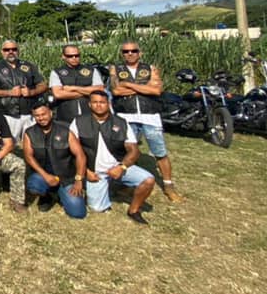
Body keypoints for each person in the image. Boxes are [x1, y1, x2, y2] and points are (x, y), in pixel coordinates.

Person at [110, 42, 184, 203]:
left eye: (133, 51)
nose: (130, 54)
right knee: (127, 152)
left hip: (150, 116)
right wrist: (144, 87)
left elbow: (156, 90)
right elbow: (116, 90)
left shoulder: (151, 69)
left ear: (140, 52)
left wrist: (127, 84)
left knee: (160, 152)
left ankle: (168, 186)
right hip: (126, 116)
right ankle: (128, 185)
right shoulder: (115, 69)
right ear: (122, 53)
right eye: (126, 51)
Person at [71, 92, 156, 225]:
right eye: (95, 102)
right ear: (89, 104)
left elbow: (134, 151)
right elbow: (72, 152)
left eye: (102, 102)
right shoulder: (78, 122)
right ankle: (111, 188)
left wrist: (122, 167)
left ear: (108, 104)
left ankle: (133, 210)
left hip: (117, 167)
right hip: (94, 171)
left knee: (148, 180)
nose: (98, 105)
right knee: (97, 208)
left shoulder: (121, 122)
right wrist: (86, 172)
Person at [22, 103, 87, 218]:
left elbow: (80, 155)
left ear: (51, 113)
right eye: (37, 116)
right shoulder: (29, 133)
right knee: (34, 185)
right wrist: (45, 176)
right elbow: (28, 157)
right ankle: (47, 196)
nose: (41, 118)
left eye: (43, 114)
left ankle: (60, 193)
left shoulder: (65, 131)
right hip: (43, 176)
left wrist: (78, 180)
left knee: (78, 213)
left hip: (66, 177)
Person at [0, 40, 47, 141]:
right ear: (2, 52)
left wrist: (31, 92)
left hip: (29, 114)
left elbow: (43, 85)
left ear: (18, 51)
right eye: (7, 50)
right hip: (8, 115)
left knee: (33, 143)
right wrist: (10, 92)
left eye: (14, 49)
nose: (10, 52)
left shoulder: (29, 66)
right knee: (8, 145)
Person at [49, 45, 105, 123]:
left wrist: (73, 88)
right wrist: (87, 92)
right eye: (70, 56)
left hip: (89, 114)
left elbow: (100, 90)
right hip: (66, 116)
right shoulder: (56, 72)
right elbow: (58, 94)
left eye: (77, 55)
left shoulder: (92, 70)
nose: (74, 58)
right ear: (63, 57)